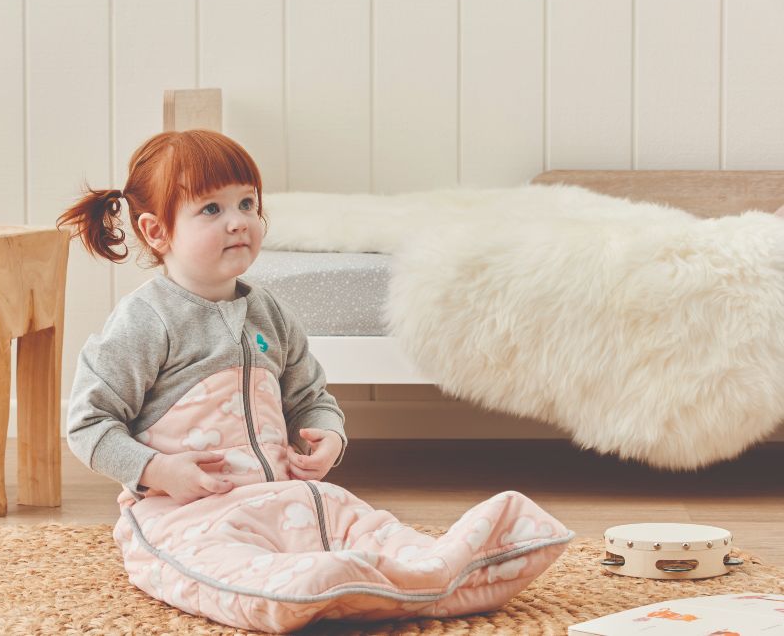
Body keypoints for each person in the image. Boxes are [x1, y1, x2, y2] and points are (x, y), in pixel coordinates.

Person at [57, 129, 572, 633]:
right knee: (215, 565)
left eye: (247, 204)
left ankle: (446, 565)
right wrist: (160, 470)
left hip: (288, 499)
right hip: (189, 513)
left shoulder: (270, 313)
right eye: (211, 209)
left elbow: (309, 397)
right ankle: (313, 587)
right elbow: (89, 424)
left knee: (357, 519)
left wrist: (327, 433)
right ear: (156, 231)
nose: (238, 222)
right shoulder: (145, 321)